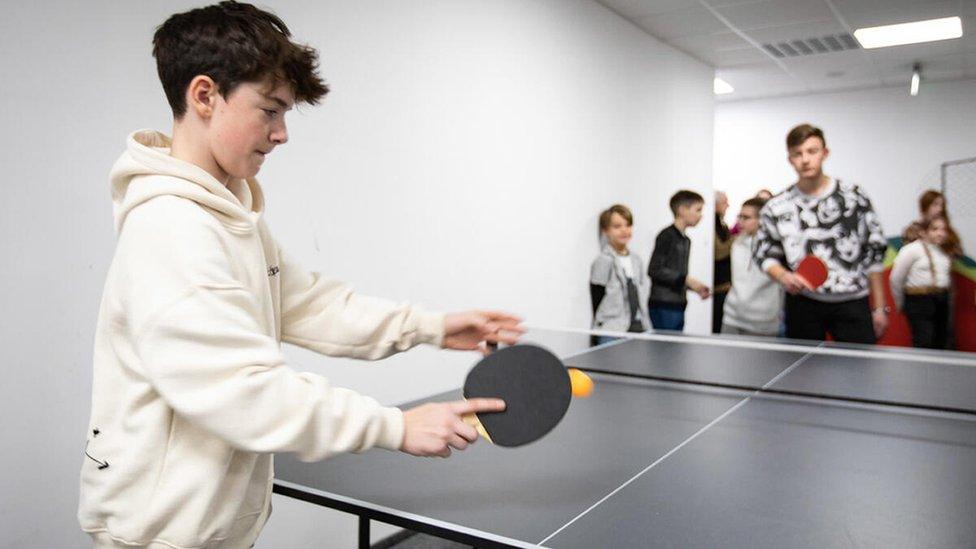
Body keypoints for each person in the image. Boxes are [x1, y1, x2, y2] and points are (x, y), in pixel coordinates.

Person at [78, 3, 522, 548]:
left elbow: (311, 306)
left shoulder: (231, 216)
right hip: (163, 535)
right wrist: (395, 426)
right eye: (270, 110)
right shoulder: (173, 229)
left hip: (207, 526)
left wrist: (432, 326)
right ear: (204, 95)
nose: (282, 133)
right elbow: (243, 390)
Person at [754, 124, 889, 344]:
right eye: (797, 154)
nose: (805, 159)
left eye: (812, 151)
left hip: (852, 302)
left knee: (859, 373)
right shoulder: (777, 206)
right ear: (790, 159)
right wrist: (784, 276)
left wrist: (880, 308)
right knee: (802, 375)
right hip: (803, 303)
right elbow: (765, 253)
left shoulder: (854, 197)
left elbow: (874, 253)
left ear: (825, 153)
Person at [648, 190, 710, 331]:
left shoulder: (686, 240)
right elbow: (654, 269)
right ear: (682, 210)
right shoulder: (666, 236)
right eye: (698, 210)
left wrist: (695, 286)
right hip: (664, 304)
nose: (701, 215)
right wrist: (687, 280)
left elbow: (677, 275)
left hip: (678, 304)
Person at [890, 216, 956, 349]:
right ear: (923, 231)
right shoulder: (911, 250)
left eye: (944, 229)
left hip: (941, 299)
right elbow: (896, 278)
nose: (941, 233)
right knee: (924, 339)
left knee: (942, 339)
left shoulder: (943, 251)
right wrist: (901, 302)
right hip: (919, 299)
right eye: (935, 229)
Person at [721, 198, 783, 336]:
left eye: (746, 218)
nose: (740, 222)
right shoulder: (736, 243)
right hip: (732, 318)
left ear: (762, 220)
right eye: (740, 216)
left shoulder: (777, 248)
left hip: (763, 322)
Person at [590, 204, 649, 344]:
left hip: (638, 327)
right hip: (612, 329)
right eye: (617, 226)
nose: (624, 230)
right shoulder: (603, 260)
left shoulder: (636, 260)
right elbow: (597, 296)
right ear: (606, 230)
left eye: (628, 225)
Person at [902, 190, 963, 256]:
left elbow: (958, 252)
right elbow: (910, 252)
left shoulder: (946, 229)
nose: (940, 209)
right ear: (925, 207)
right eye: (935, 205)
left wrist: (944, 243)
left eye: (942, 205)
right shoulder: (913, 230)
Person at [713, 191, 733, 333]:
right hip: (718, 289)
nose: (728, 205)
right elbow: (719, 252)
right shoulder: (711, 225)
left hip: (725, 287)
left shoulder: (723, 225)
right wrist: (737, 239)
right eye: (725, 202)